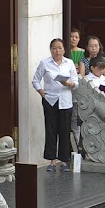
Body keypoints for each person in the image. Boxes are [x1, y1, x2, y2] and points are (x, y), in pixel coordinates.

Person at [33, 36, 79, 171]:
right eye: (54, 48)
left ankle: (64, 160)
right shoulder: (44, 63)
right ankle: (52, 161)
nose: (57, 51)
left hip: (65, 101)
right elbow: (35, 80)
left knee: (64, 131)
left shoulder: (69, 63)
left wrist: (68, 83)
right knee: (51, 130)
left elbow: (76, 83)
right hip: (50, 100)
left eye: (60, 48)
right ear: (50, 50)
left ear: (64, 50)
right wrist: (41, 92)